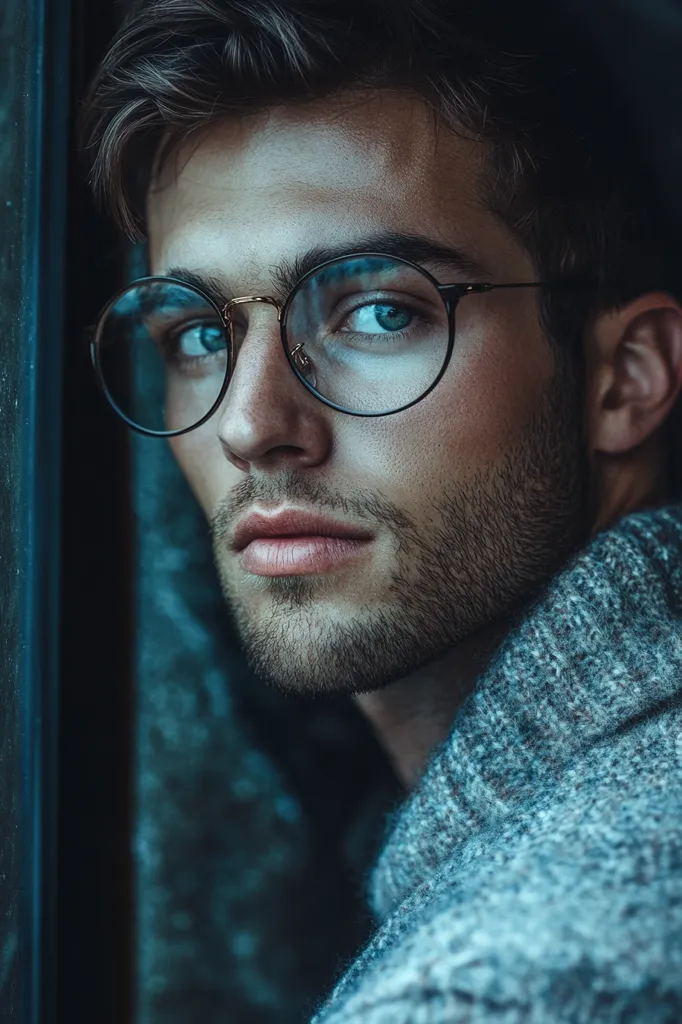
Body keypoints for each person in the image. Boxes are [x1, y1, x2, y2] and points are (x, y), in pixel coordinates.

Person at [80, 0, 682, 1018]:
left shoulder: (514, 985)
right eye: (197, 333)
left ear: (622, 378)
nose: (252, 425)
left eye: (377, 311)